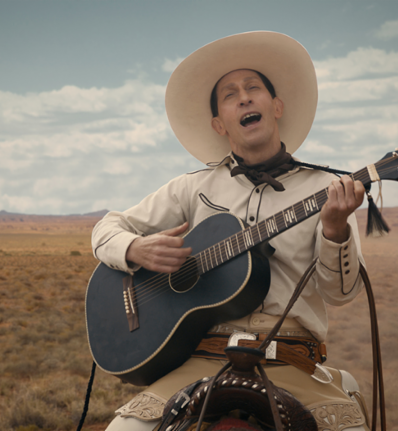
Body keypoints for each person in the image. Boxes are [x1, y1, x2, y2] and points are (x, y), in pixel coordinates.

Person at [92, 32, 369, 431]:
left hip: (290, 358)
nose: (244, 97)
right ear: (219, 124)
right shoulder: (193, 187)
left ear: (276, 106)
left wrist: (335, 230)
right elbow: (106, 227)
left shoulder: (324, 190)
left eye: (253, 88)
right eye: (230, 94)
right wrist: (135, 248)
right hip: (202, 356)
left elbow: (341, 294)